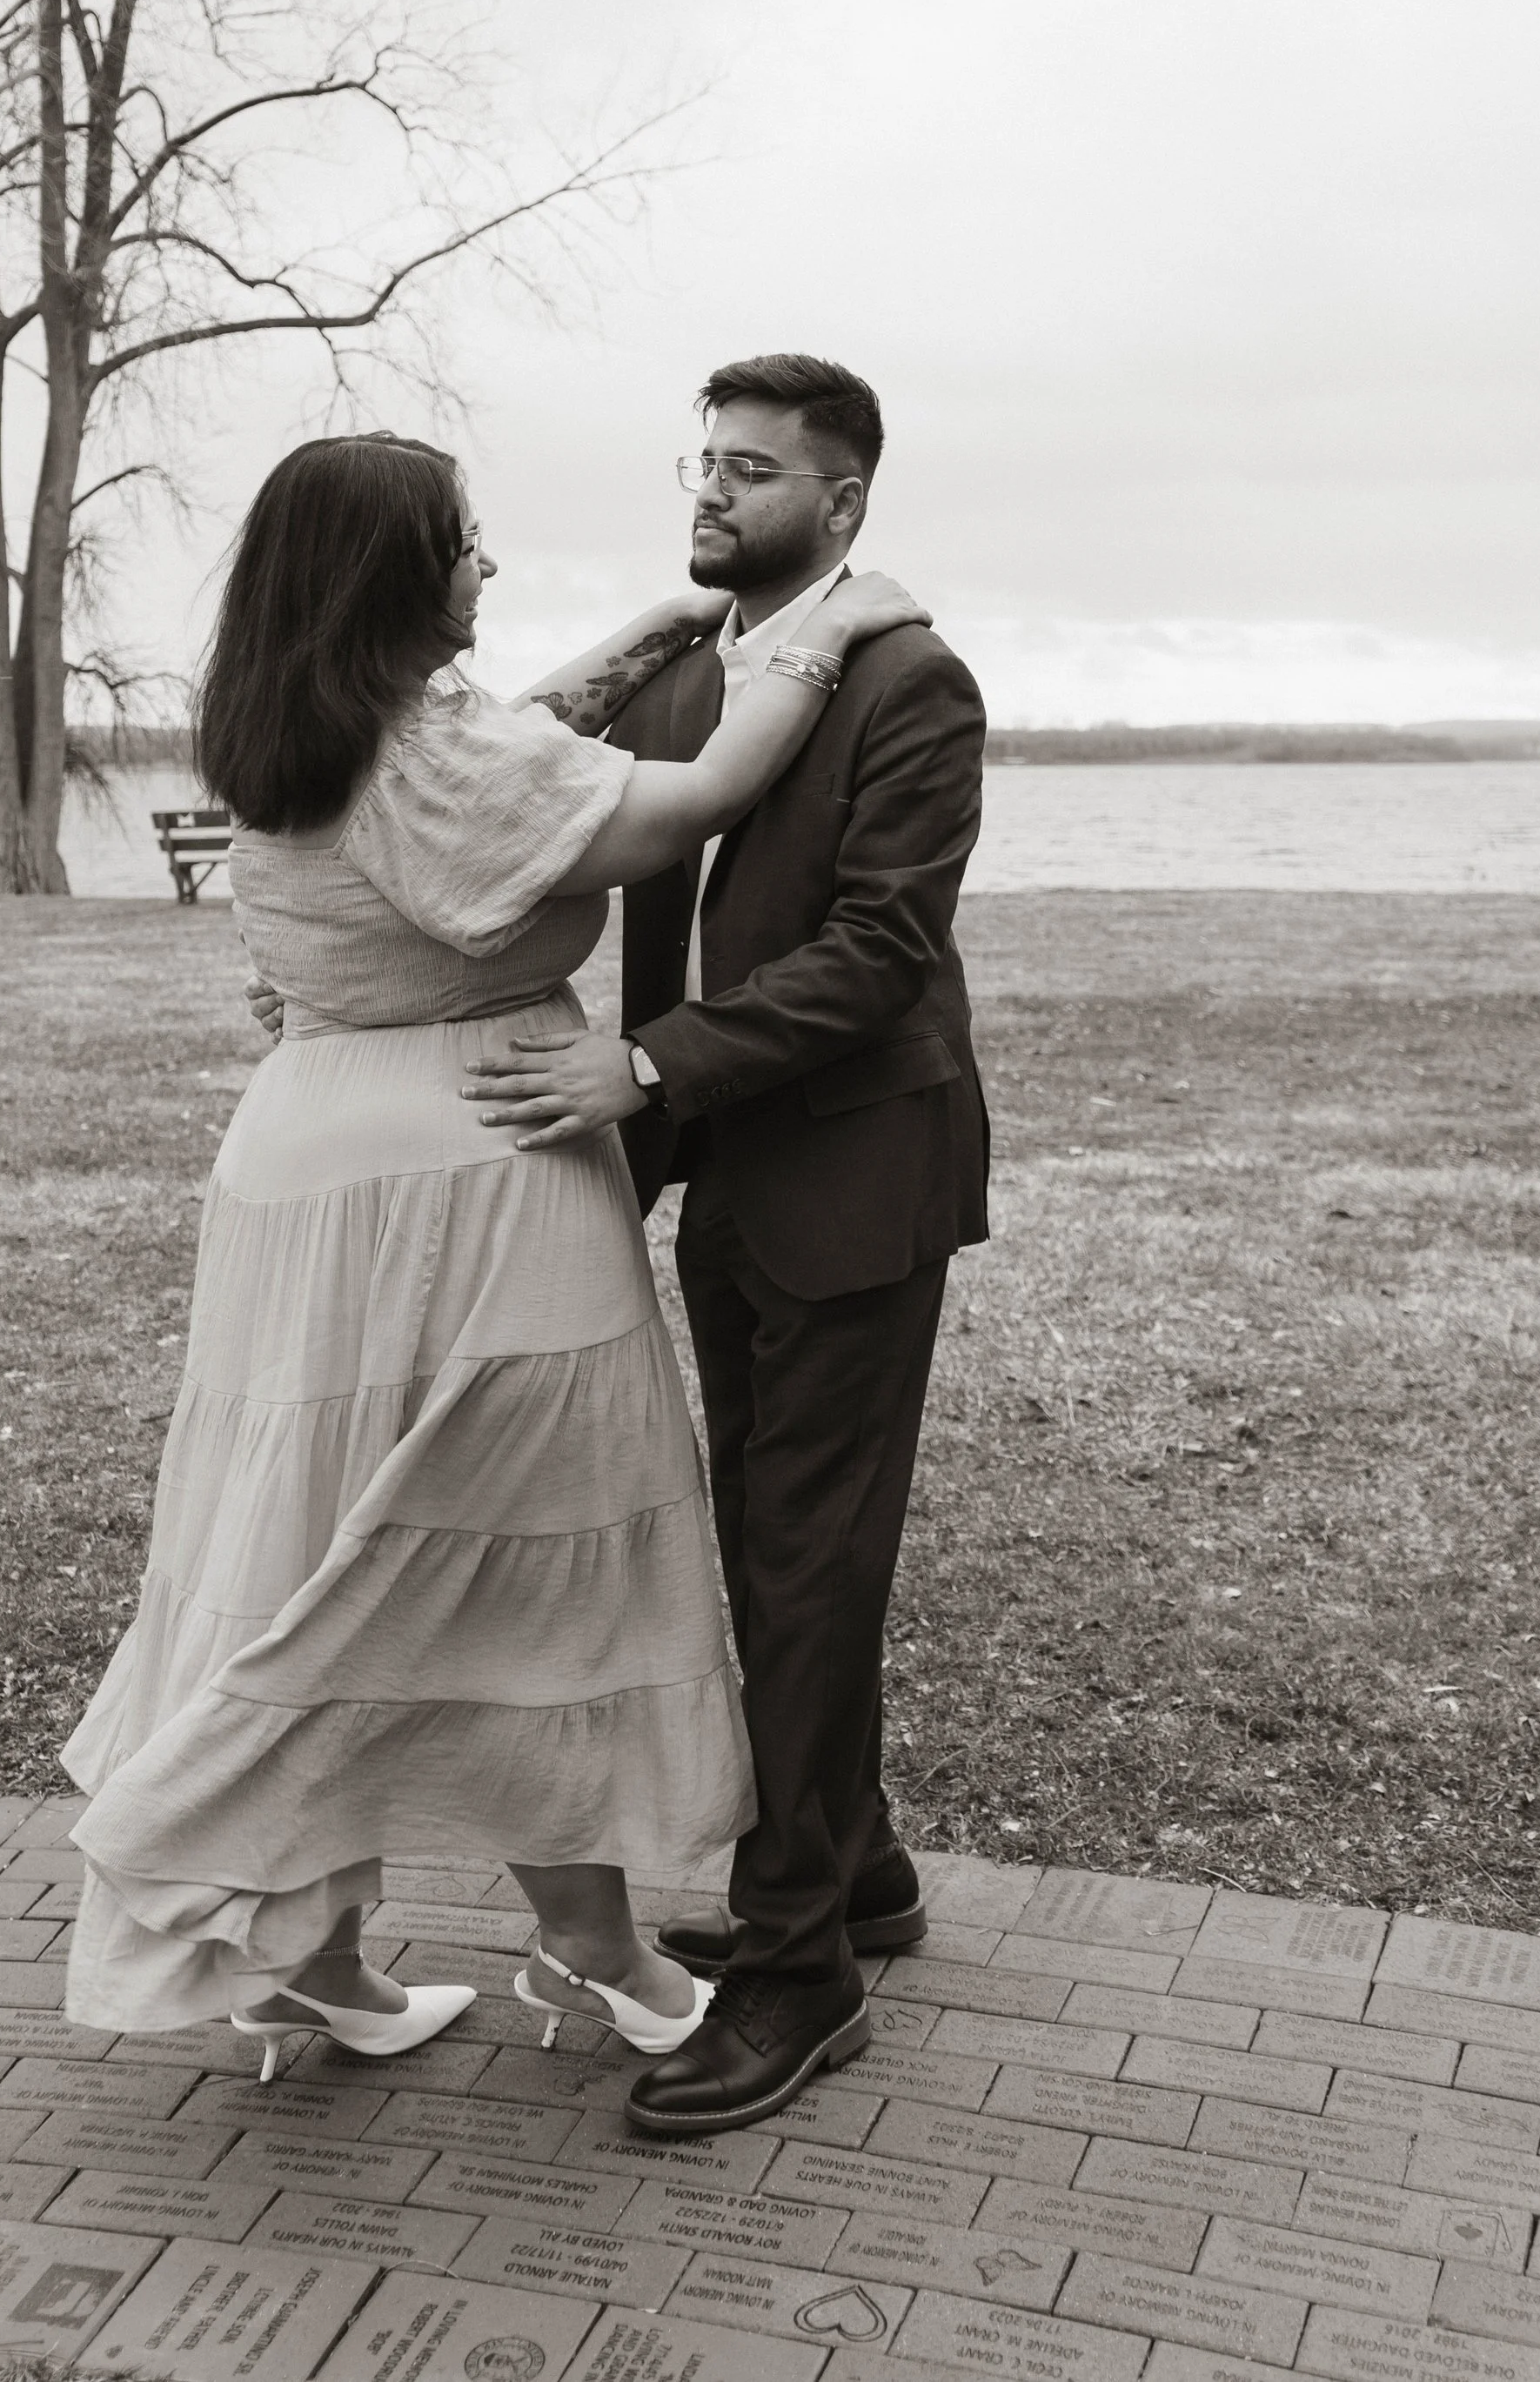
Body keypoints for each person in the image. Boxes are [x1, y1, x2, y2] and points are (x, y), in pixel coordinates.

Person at [61, 429, 929, 2073]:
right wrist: (825, 627)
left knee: (318, 1547)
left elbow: (499, 744)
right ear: (399, 579)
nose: (487, 568)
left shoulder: (299, 714)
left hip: (310, 1175)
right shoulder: (428, 750)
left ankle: (307, 1951)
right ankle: (603, 1954)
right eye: (465, 545)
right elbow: (702, 797)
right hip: (471, 1178)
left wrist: (634, 647)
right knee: (529, 1564)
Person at [463, 355, 988, 2132]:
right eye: (701, 460)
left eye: (751, 470)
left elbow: (876, 952)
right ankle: (857, 1875)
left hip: (852, 1185)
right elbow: (517, 787)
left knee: (802, 1566)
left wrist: (640, 1068)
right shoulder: (693, 669)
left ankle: (793, 1975)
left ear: (839, 504)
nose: (711, 492)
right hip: (718, 1180)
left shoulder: (913, 685)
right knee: (767, 1539)